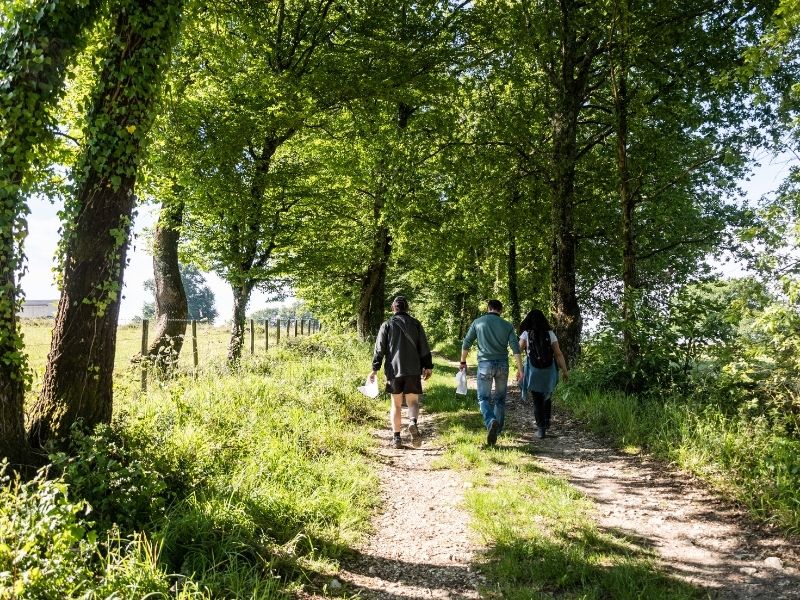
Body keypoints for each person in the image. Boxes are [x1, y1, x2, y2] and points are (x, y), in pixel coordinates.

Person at [370, 296, 433, 449]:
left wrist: (374, 369)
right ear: (407, 308)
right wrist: (428, 366)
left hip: (393, 370)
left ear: (393, 308)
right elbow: (423, 346)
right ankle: (412, 422)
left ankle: (396, 438)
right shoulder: (416, 324)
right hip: (412, 370)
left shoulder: (387, 325)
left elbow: (380, 349)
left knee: (396, 405)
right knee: (413, 402)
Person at [460, 299, 523, 446]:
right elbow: (515, 348)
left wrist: (463, 362)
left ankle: (490, 421)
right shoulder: (507, 325)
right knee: (500, 399)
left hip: (484, 365)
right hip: (502, 364)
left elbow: (466, 343)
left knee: (483, 398)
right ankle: (497, 431)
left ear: (488, 308)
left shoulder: (478, 322)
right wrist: (521, 370)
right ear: (500, 310)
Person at [518, 309, 569, 439]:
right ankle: (546, 423)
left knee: (537, 399)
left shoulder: (526, 334)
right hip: (549, 370)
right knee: (547, 396)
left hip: (533, 370)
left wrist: (519, 369)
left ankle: (541, 430)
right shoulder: (550, 333)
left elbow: (517, 352)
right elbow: (558, 354)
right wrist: (564, 370)